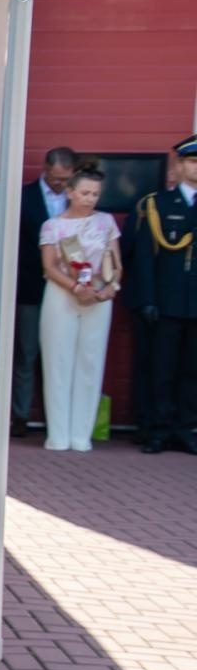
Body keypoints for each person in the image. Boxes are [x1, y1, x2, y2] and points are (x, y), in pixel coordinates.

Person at [36, 168, 121, 453]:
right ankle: (58, 434)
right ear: (70, 192)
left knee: (90, 362)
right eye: (85, 193)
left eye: (95, 194)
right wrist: (75, 288)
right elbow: (49, 267)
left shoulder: (106, 222)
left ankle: (81, 434)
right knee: (58, 363)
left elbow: (115, 263)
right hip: (62, 295)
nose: (90, 199)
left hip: (97, 296)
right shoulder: (53, 226)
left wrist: (111, 287)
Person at [131, 134, 197, 455]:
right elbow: (144, 259)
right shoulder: (157, 205)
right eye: (193, 162)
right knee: (162, 370)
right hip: (166, 303)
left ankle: (186, 429)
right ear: (180, 166)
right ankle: (157, 429)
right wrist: (148, 299)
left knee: (192, 372)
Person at [15, 147, 77, 436]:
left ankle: (57, 418)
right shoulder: (23, 196)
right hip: (30, 287)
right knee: (26, 352)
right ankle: (20, 416)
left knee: (59, 354)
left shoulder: (76, 199)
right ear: (45, 169)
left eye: (65, 179)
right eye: (54, 178)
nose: (59, 185)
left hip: (65, 289)